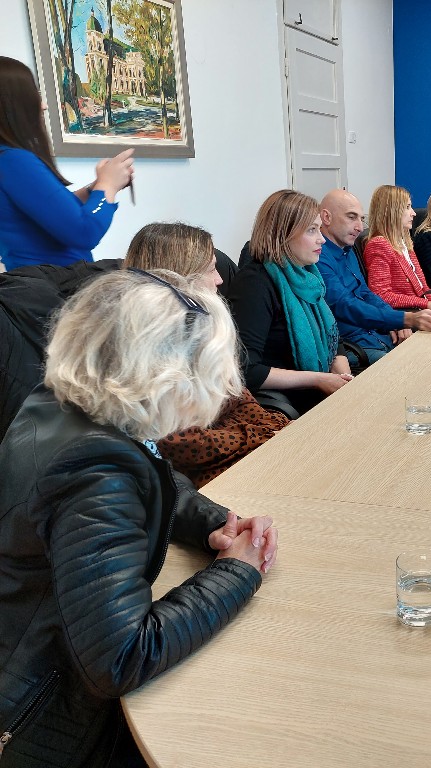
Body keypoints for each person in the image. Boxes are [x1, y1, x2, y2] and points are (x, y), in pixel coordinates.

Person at [0, 269, 277, 767]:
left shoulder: (57, 406)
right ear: (167, 374)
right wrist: (238, 572)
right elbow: (121, 657)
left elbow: (153, 472)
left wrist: (210, 521)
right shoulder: (96, 473)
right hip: (48, 723)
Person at [122, 222, 291, 485]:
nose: (220, 279)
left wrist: (273, 429)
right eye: (211, 269)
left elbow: (237, 396)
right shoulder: (143, 352)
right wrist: (256, 436)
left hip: (241, 450)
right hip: (210, 477)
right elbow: (178, 443)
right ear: (180, 275)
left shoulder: (200, 332)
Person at [223, 189, 352, 416]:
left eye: (319, 229)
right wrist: (317, 379)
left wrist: (345, 379)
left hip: (320, 391)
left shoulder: (308, 276)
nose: (321, 239)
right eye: (311, 230)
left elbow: (332, 338)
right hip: (290, 405)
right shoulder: (255, 283)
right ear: (283, 234)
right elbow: (245, 370)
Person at [0, 56, 134, 270]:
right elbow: (84, 231)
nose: (43, 105)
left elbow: (55, 212)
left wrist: (97, 187)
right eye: (34, 95)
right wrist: (108, 186)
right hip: (54, 285)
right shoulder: (14, 162)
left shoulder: (8, 161)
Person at [318, 189, 431, 368]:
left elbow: (366, 293)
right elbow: (344, 305)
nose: (360, 227)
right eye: (351, 217)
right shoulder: (318, 256)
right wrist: (403, 319)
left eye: (361, 219)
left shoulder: (347, 248)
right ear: (326, 217)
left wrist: (395, 320)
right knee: (412, 366)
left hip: (374, 333)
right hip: (351, 345)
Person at [363, 184, 431, 311]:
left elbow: (423, 288)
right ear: (391, 211)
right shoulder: (379, 244)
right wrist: (425, 304)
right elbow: (381, 295)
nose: (413, 213)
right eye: (407, 207)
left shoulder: (405, 243)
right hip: (409, 314)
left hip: (422, 309)